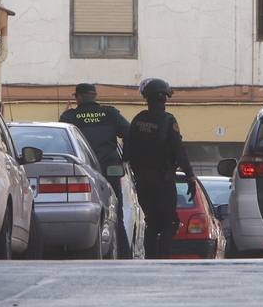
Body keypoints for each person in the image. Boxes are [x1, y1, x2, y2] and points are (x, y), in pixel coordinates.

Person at [123, 78, 196, 259]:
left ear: (147, 98)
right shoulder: (167, 121)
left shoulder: (138, 120)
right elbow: (179, 151)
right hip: (163, 181)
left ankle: (150, 259)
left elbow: (127, 150)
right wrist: (190, 176)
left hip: (142, 181)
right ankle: (163, 259)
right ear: (164, 99)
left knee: (152, 222)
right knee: (168, 223)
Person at [60, 83, 132, 257]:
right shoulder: (110, 113)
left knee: (84, 210)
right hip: (110, 169)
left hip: (82, 172)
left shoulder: (70, 117)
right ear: (95, 95)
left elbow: (62, 143)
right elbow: (130, 133)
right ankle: (122, 254)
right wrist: (124, 158)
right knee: (115, 212)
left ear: (78, 97)